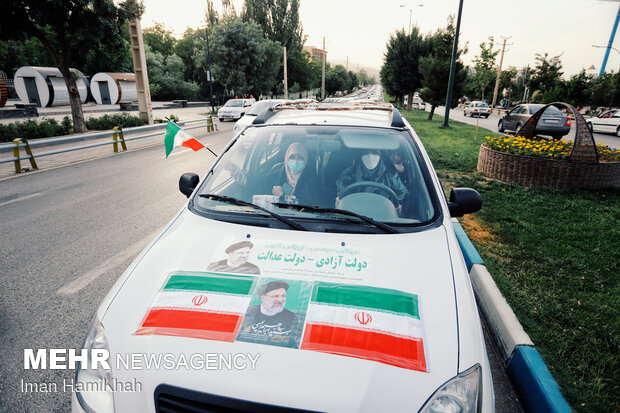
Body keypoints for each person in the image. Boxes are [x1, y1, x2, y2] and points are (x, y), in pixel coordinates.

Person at [336, 149, 408, 212]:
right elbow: (341, 198)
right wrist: (339, 202)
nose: (370, 156)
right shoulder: (348, 174)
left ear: (380, 155)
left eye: (374, 152)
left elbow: (400, 197)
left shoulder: (390, 173)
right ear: (360, 155)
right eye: (365, 153)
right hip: (355, 216)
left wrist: (399, 208)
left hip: (384, 216)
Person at [238, 280, 301, 347]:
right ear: (263, 298)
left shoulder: (292, 317)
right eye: (275, 296)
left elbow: (295, 343)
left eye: (283, 296)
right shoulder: (249, 312)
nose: (280, 300)